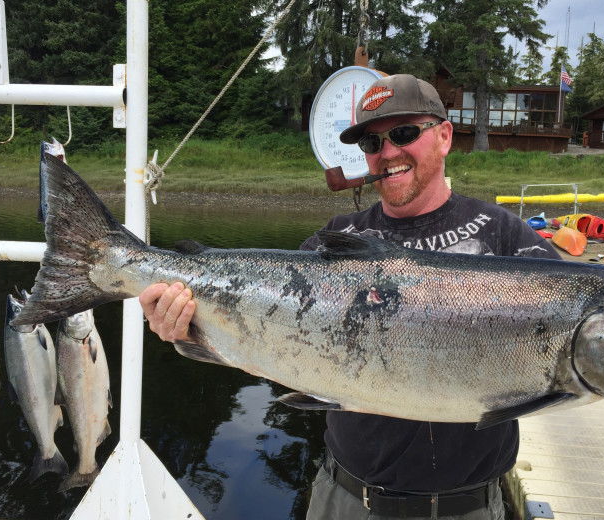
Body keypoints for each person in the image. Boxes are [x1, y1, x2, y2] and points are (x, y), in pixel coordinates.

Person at [139, 74, 562, 520]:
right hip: (345, 501)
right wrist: (187, 329)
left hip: (469, 507)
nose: (388, 153)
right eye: (372, 142)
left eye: (403, 134)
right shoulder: (335, 240)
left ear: (444, 136)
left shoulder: (507, 238)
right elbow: (264, 336)